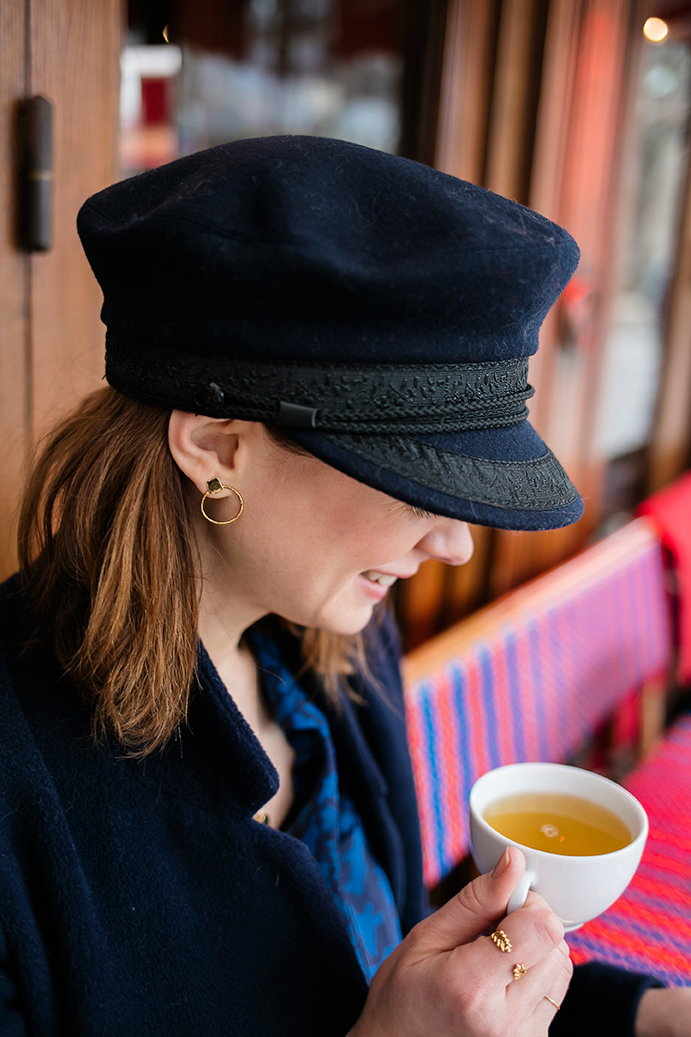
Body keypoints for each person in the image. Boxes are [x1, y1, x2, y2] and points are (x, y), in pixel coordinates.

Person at [0, 135, 687, 1037]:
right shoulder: (21, 778)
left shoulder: (338, 643)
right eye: (414, 483)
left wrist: (646, 1014)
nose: (452, 543)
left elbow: (397, 952)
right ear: (216, 447)